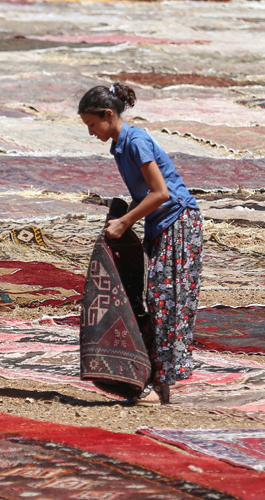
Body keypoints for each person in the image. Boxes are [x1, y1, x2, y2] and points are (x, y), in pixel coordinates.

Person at [78, 82, 203, 406]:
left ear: (108, 115)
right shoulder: (119, 146)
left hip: (178, 222)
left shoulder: (135, 141)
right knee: (158, 298)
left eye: (92, 124)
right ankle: (156, 381)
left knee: (166, 301)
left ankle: (163, 382)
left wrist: (124, 221)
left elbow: (161, 193)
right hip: (161, 225)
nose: (91, 132)